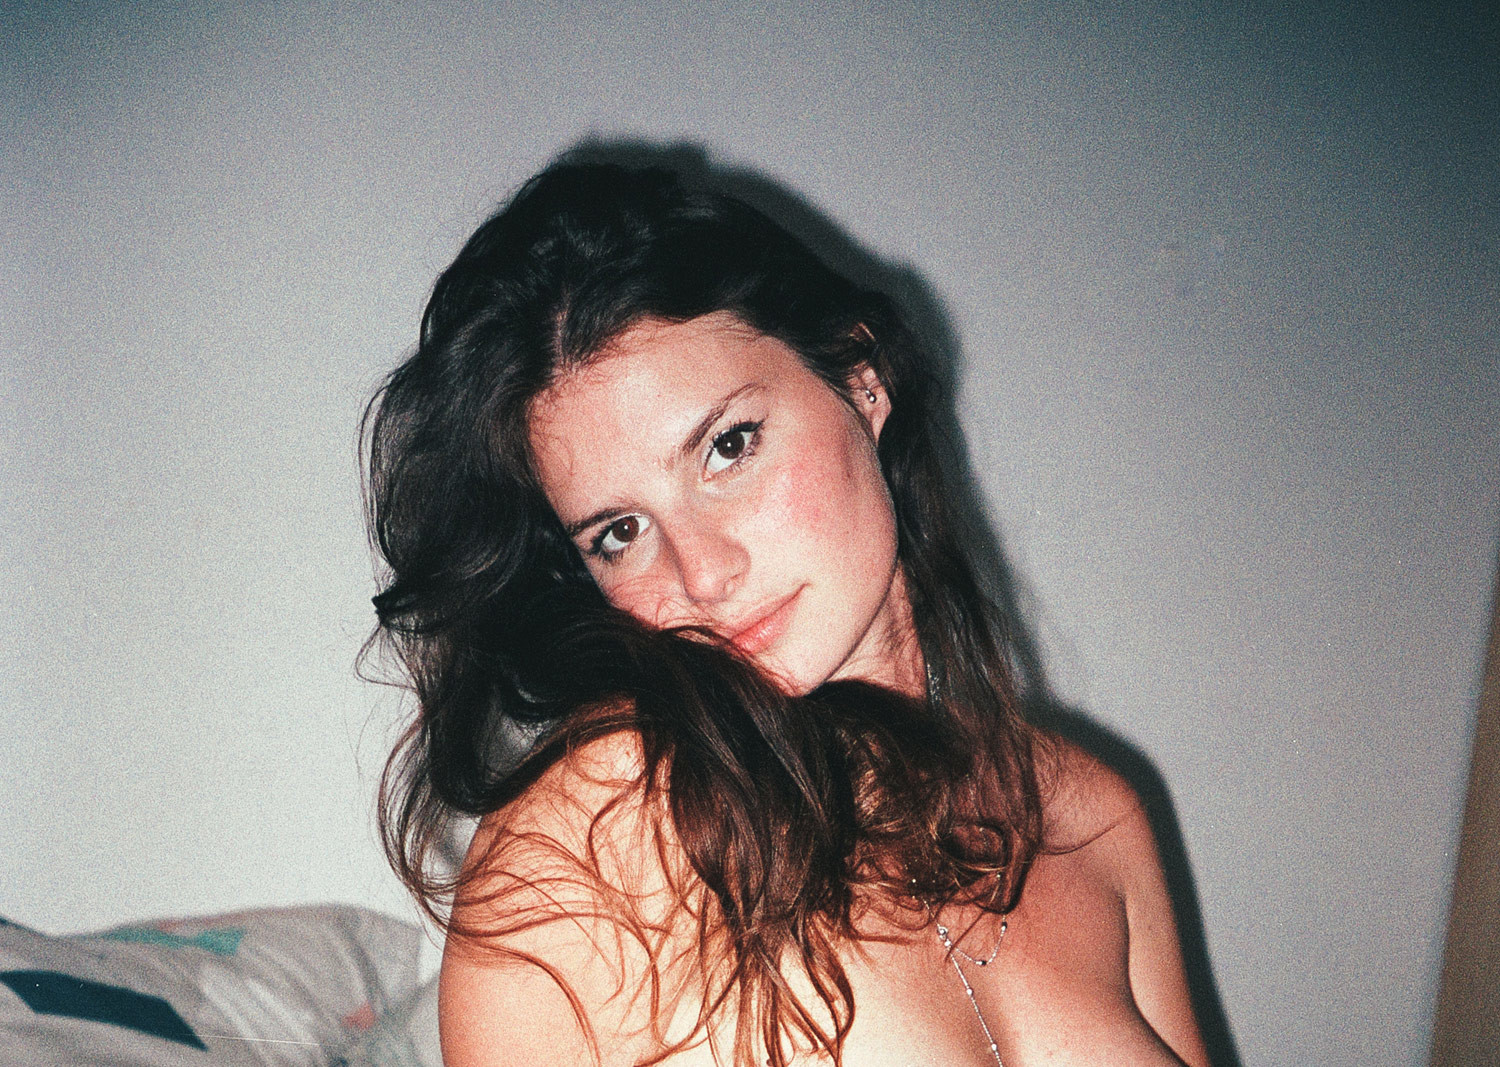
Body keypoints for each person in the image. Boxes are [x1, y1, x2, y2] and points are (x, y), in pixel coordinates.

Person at [364, 155, 1209, 1067]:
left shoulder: (1093, 813)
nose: (703, 573)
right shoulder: (581, 853)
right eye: (619, 532)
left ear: (861, 380)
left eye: (729, 447)